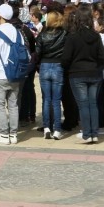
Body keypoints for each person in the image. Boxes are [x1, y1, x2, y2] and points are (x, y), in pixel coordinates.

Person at [61, 7, 104, 144]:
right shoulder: (96, 36)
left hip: (77, 73)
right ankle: (94, 132)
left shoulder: (73, 36)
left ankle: (87, 133)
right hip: (94, 73)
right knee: (93, 104)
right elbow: (102, 57)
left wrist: (68, 69)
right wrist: (97, 68)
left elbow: (66, 58)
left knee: (83, 105)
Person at [0, 4, 23, 145]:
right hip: (15, 73)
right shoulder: (17, 31)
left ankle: (3, 134)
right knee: (13, 105)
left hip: (0, 73)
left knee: (0, 106)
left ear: (0, 16)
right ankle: (13, 135)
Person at [35, 11, 66, 140]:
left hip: (45, 65)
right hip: (58, 66)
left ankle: (47, 127)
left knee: (46, 99)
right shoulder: (65, 34)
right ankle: (57, 129)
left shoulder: (42, 34)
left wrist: (38, 65)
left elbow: (37, 52)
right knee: (56, 101)